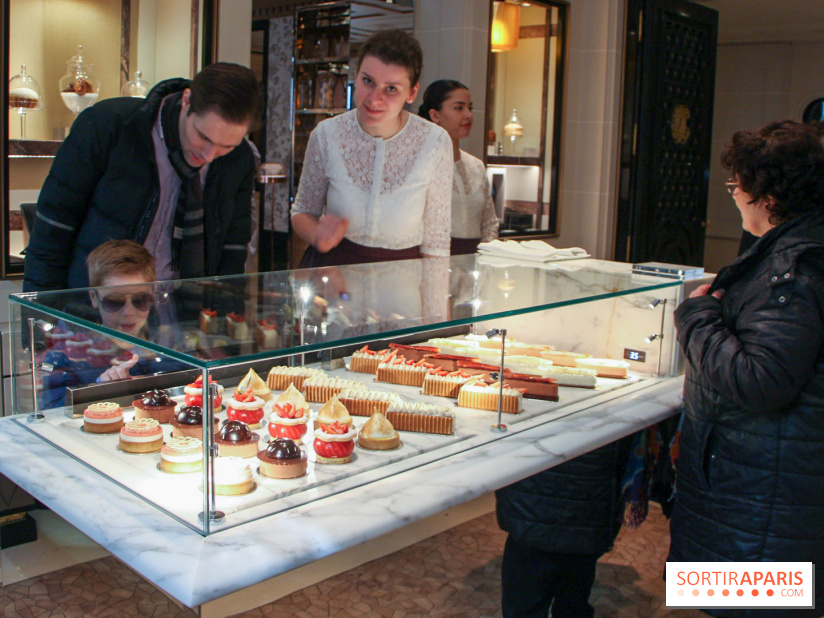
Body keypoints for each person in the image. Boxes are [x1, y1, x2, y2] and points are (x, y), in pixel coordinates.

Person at [668, 120, 824, 616]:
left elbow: (760, 380)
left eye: (737, 187)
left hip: (762, 494)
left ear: (768, 195)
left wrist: (696, 316)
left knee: (747, 609)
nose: (734, 198)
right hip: (762, 483)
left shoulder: (794, 271)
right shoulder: (794, 253)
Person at [24, 62, 261, 292]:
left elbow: (233, 248)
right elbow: (53, 228)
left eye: (226, 146)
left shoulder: (239, 159)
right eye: (204, 137)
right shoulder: (108, 126)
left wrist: (226, 321)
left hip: (184, 319)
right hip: (98, 308)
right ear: (186, 101)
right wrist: (45, 315)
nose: (209, 156)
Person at [291, 29, 453, 267]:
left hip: (402, 279)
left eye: (391, 89)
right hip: (335, 277)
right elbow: (302, 211)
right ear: (356, 77)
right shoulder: (326, 134)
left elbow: (436, 243)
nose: (374, 99)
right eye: (368, 81)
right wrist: (318, 235)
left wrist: (436, 303)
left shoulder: (435, 141)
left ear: (412, 93)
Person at [39, 240, 179, 409]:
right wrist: (99, 391)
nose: (129, 312)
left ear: (153, 293)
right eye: (114, 301)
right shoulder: (68, 351)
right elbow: (50, 411)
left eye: (140, 300)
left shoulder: (171, 343)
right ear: (93, 297)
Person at [419, 79, 498, 254]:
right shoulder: (420, 165)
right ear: (435, 115)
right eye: (459, 108)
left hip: (475, 264)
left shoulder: (476, 166)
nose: (468, 115)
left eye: (470, 108)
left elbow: (489, 223)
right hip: (433, 262)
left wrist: (485, 258)